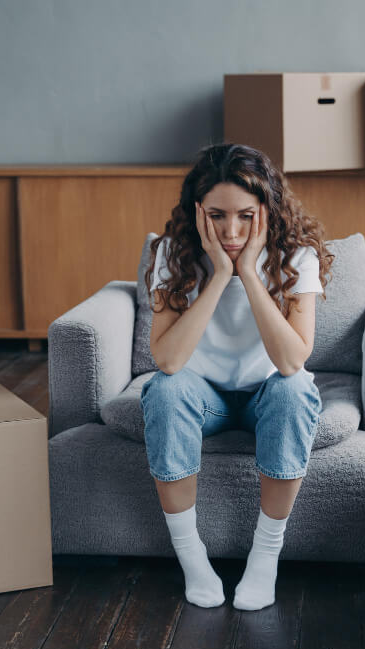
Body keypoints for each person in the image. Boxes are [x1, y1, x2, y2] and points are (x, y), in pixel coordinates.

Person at [141, 143, 333, 611]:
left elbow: (291, 361)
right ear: (198, 210)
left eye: (246, 215)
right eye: (218, 215)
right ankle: (193, 559)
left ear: (268, 209)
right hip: (202, 396)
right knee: (164, 391)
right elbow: (167, 360)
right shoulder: (172, 252)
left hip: (267, 393)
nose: (231, 230)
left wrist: (248, 271)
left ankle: (264, 559)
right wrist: (219, 275)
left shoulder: (297, 256)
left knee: (294, 391)